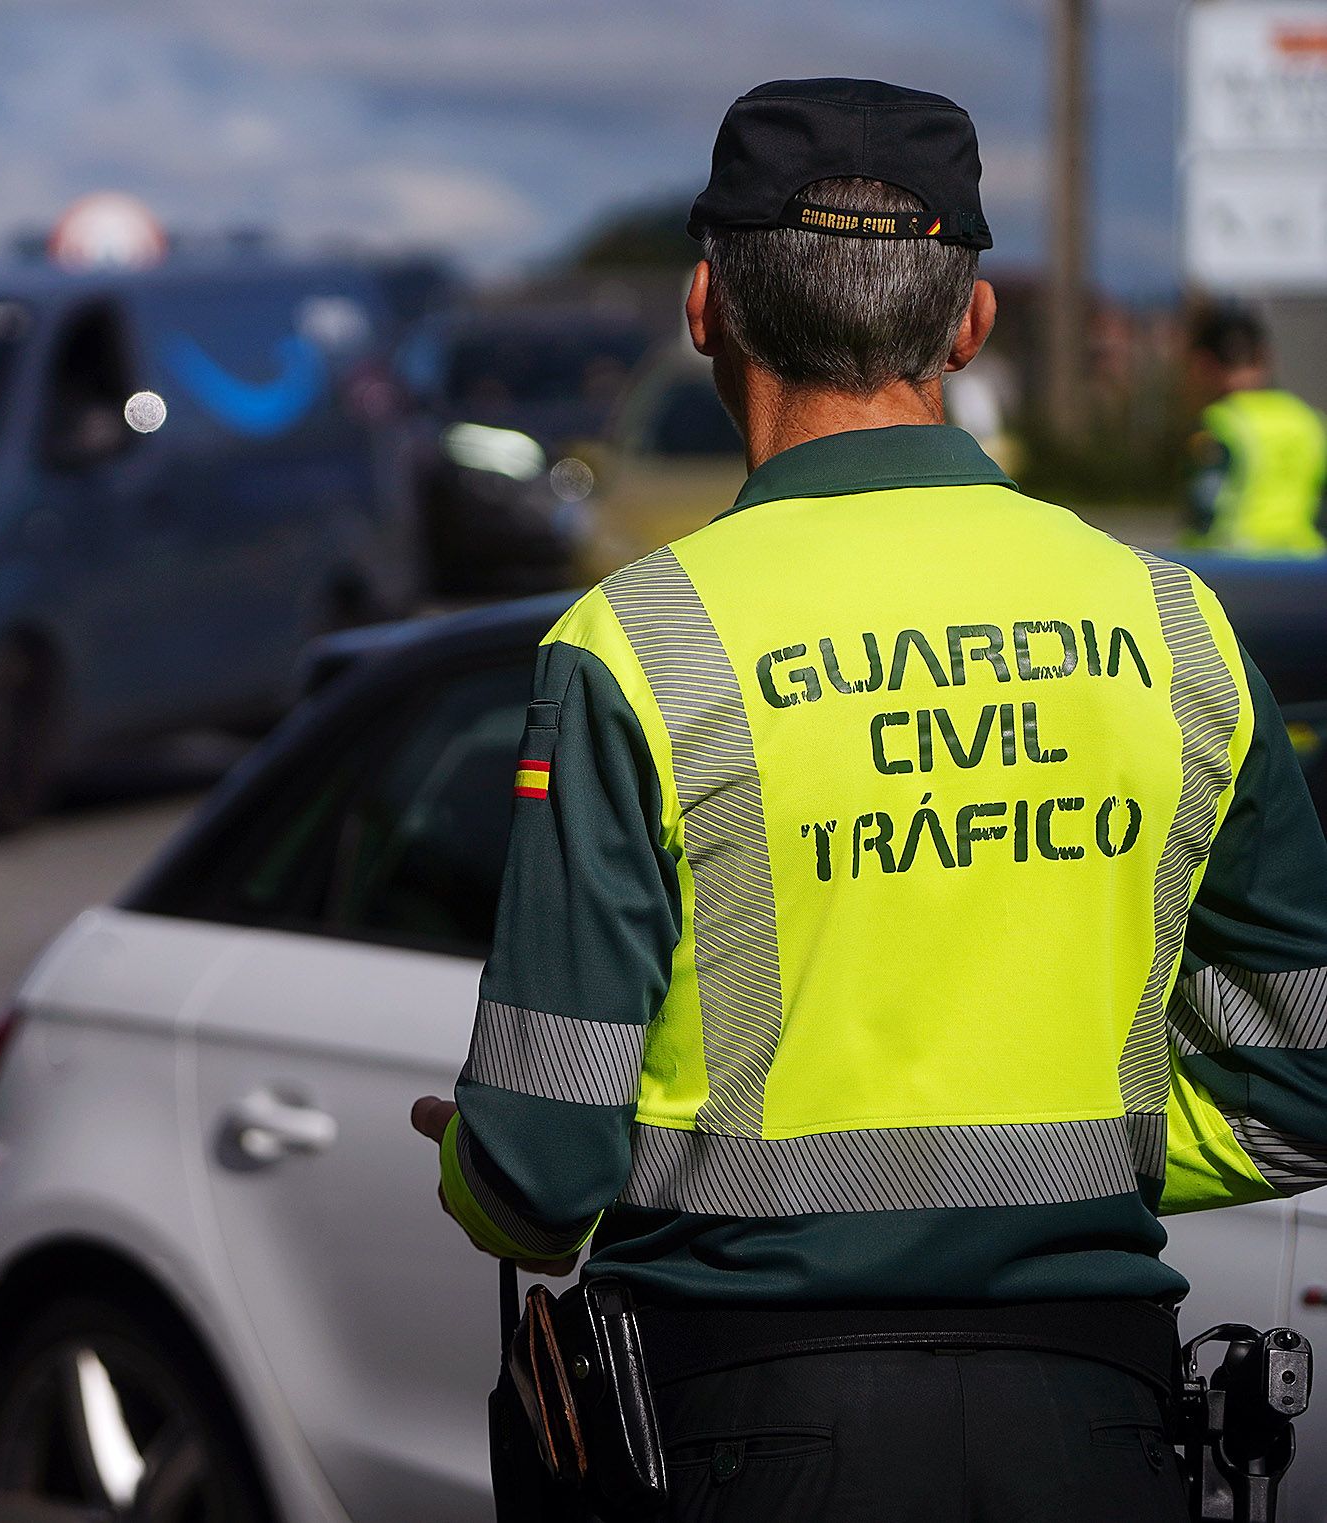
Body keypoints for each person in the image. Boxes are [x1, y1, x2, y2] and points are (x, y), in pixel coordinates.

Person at [410, 77, 1327, 1520]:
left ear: (705, 304)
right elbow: (1301, 1086)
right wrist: (1085, 1148)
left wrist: (474, 1160)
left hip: (740, 1423)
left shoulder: (633, 646)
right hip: (1099, 1423)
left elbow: (536, 1171)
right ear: (969, 324)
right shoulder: (1175, 626)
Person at [1185, 306, 1327, 557]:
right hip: (1308, 566)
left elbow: (1204, 504)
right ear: (1264, 357)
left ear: (1204, 364)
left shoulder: (1221, 423)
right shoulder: (1309, 421)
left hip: (1235, 565)